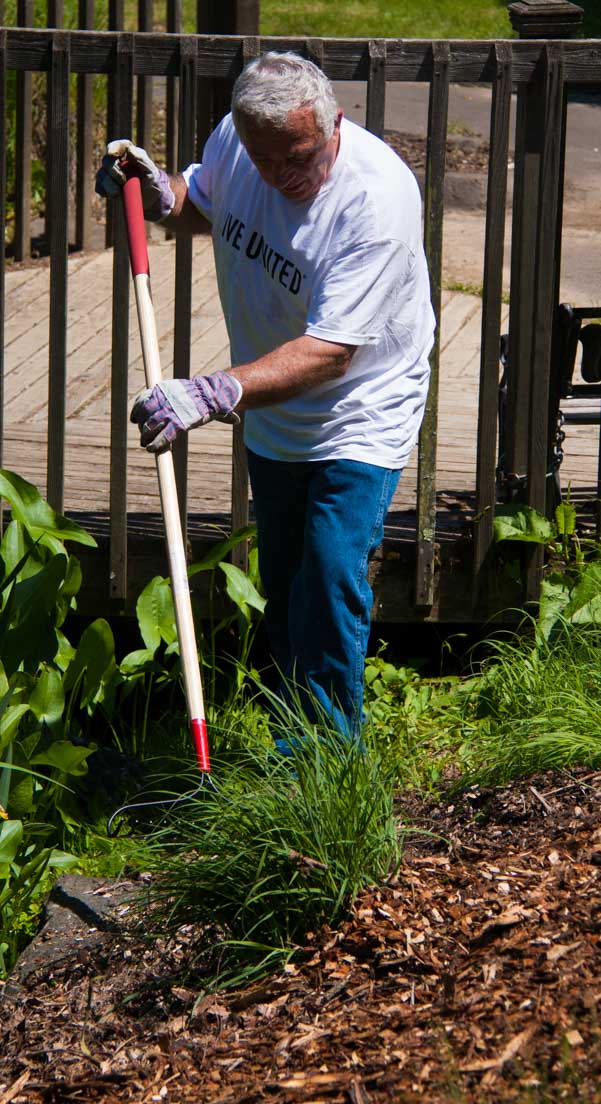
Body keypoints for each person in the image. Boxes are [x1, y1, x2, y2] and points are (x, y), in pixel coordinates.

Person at [96, 51, 435, 743]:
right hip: (274, 409)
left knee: (330, 573)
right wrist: (158, 194)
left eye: (300, 158)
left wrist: (213, 391)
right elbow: (203, 202)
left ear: (335, 123)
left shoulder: (375, 201)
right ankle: (293, 731)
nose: (282, 176)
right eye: (266, 160)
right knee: (285, 582)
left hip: (359, 406)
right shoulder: (237, 140)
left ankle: (326, 759)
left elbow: (332, 352)